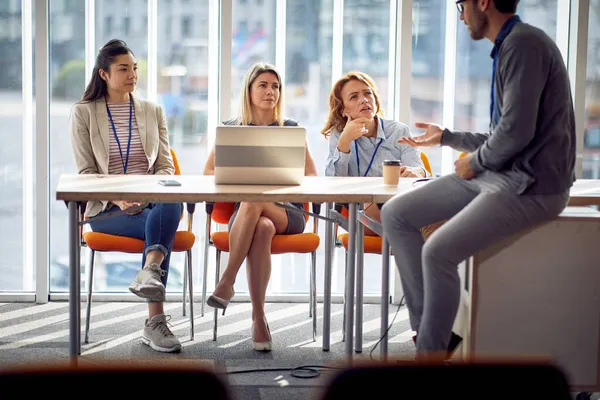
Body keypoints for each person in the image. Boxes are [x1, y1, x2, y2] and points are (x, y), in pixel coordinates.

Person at [381, 0, 575, 361]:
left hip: (532, 185)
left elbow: (515, 135)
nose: (460, 14)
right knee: (395, 214)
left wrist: (473, 162)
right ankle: (432, 337)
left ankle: (429, 353)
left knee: (437, 252)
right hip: (500, 173)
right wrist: (448, 138)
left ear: (482, 2)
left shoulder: (523, 45)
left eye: (461, 4)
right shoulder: (509, 46)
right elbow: (504, 135)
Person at [70, 39, 183, 353]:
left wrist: (146, 193)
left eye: (134, 68)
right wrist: (119, 198)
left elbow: (164, 167)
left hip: (151, 204)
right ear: (104, 74)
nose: (132, 74)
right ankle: (155, 321)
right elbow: (85, 173)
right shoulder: (84, 113)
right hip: (108, 210)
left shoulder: (152, 110)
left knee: (170, 204)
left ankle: (149, 272)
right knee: (162, 226)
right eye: (124, 69)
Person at [203, 62, 318, 351]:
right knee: (262, 226)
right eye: (263, 85)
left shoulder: (290, 129)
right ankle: (259, 318)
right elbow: (206, 176)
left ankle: (228, 280)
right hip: (246, 217)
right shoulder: (231, 129)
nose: (271, 91)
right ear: (249, 91)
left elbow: (313, 177)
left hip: (288, 213)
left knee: (256, 202)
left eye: (276, 86)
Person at [322, 71, 428, 236]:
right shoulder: (339, 135)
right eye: (354, 97)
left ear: (375, 100)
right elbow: (332, 186)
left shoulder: (398, 131)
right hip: (359, 213)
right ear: (343, 110)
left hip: (399, 204)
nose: (364, 99)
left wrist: (416, 172)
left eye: (367, 93)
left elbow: (420, 172)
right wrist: (344, 142)